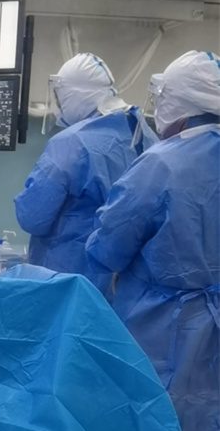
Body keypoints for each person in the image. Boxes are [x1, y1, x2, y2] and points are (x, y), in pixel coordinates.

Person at [86, 50, 220, 431]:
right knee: (213, 424)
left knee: (163, 426)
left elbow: (109, 244)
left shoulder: (162, 163)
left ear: (175, 105)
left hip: (170, 322)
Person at [14, 54, 156, 280]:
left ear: (73, 96)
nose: (58, 105)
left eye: (60, 97)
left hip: (70, 277)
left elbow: (32, 217)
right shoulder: (143, 134)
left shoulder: (71, 143)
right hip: (126, 279)